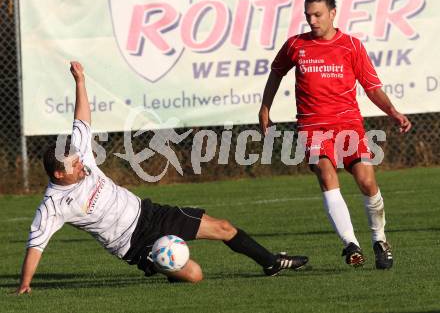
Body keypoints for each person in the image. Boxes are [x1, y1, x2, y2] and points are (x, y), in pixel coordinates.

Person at [15, 61, 308, 294]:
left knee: (223, 227)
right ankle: (166, 268)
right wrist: (25, 283)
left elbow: (82, 120)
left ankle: (271, 262)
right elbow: (36, 246)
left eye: (79, 161)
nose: (81, 166)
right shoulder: (53, 206)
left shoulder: (77, 154)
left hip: (149, 213)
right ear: (57, 174)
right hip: (134, 243)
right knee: (195, 275)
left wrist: (80, 82)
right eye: (74, 167)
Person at [259, 0, 411, 269]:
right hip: (313, 125)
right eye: (308, 16)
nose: (312, 21)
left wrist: (393, 112)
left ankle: (380, 240)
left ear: (332, 13)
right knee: (327, 175)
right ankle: (351, 244)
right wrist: (265, 107)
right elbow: (276, 72)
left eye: (317, 15)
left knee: (367, 181)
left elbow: (372, 87)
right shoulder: (295, 45)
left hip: (348, 124)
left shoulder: (351, 45)